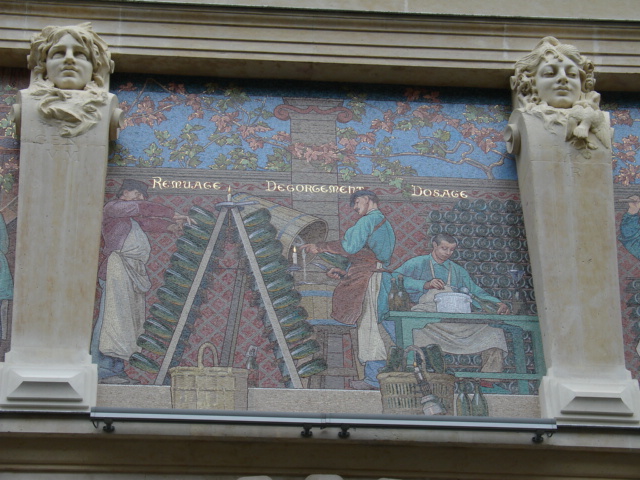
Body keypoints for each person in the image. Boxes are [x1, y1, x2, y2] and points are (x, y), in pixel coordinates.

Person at [91, 179, 193, 384]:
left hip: (128, 271)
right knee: (111, 320)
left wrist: (170, 226)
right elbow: (143, 208)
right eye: (135, 193)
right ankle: (101, 369)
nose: (139, 198)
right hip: (116, 269)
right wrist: (173, 214)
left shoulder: (129, 218)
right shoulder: (113, 208)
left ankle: (115, 369)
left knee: (126, 322)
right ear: (123, 193)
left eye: (142, 195)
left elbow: (147, 223)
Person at [302, 190, 396, 389]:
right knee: (383, 325)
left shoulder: (368, 221)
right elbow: (366, 255)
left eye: (357, 202)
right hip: (379, 276)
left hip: (369, 279)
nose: (355, 207)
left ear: (368, 199)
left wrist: (320, 247)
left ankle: (374, 379)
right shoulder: (385, 223)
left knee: (370, 327)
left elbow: (350, 247)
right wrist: (345, 271)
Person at [393, 233, 509, 373]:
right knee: (415, 330)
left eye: (451, 250)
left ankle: (488, 379)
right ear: (434, 245)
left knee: (494, 332)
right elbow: (393, 278)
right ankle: (424, 374)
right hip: (428, 320)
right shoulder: (417, 263)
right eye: (444, 248)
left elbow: (475, 292)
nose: (448, 253)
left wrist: (497, 304)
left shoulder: (458, 271)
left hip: (454, 320)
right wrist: (425, 284)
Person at [26, 23, 114, 136]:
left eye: (80, 54)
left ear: (94, 68)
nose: (69, 58)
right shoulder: (28, 102)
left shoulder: (104, 104)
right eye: (58, 53)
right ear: (44, 66)